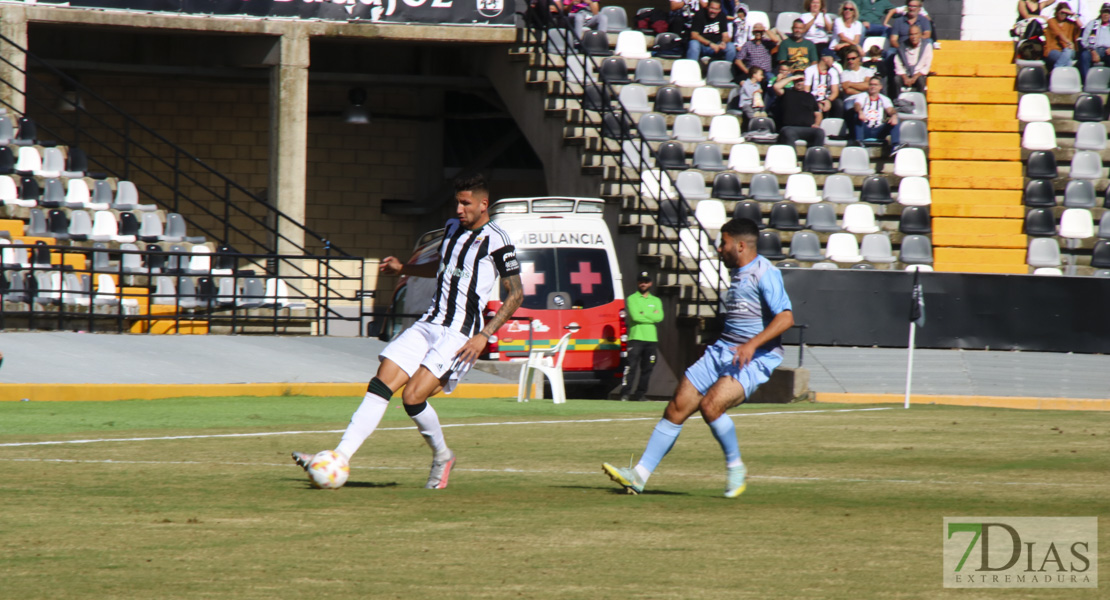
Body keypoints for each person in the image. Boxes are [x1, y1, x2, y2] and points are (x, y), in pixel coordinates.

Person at [292, 173, 524, 489]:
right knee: (380, 384)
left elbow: (516, 294)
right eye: (457, 202)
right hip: (429, 323)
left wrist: (483, 335)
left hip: (459, 334)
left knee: (413, 397)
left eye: (465, 203)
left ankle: (443, 456)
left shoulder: (498, 239)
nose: (458, 209)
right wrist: (405, 269)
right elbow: (442, 266)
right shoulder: (453, 228)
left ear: (484, 205)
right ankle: (339, 458)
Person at [602, 217, 794, 498]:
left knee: (711, 406)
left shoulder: (765, 272)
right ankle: (638, 476)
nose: (719, 249)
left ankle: (736, 468)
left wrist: (751, 345)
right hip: (723, 350)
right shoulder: (738, 272)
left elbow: (786, 317)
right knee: (677, 406)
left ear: (740, 246)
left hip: (755, 356)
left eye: (723, 243)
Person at [619, 272, 664, 402]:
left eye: (646, 281)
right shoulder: (632, 298)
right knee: (630, 366)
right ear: (638, 283)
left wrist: (644, 314)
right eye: (641, 281)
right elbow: (635, 316)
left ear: (650, 283)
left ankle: (640, 394)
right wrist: (651, 315)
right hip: (636, 338)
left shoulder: (656, 300)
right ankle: (625, 394)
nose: (643, 284)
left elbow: (660, 317)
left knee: (648, 368)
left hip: (651, 339)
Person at [773, 71, 827, 146]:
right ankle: (792, 157)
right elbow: (776, 87)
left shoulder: (810, 96)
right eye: (797, 81)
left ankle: (815, 156)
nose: (799, 83)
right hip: (790, 128)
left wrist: (816, 124)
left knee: (820, 132)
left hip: (808, 128)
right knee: (788, 132)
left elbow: (818, 114)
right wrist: (792, 77)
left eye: (801, 80)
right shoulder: (786, 93)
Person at [853, 76, 900, 145]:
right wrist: (860, 111)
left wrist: (894, 115)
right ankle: (859, 143)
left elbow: (890, 110)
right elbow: (857, 105)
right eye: (871, 84)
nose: (873, 87)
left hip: (879, 130)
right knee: (856, 115)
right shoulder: (862, 96)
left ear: (880, 87)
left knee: (895, 118)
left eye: (875, 85)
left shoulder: (885, 99)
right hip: (866, 129)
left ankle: (895, 145)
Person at [805, 48, 844, 118]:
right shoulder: (810, 70)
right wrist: (816, 103)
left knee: (838, 104)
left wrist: (828, 101)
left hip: (827, 98)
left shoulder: (833, 71)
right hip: (812, 99)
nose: (833, 63)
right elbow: (806, 91)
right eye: (833, 60)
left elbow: (835, 92)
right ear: (825, 59)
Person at [893, 24, 933, 93]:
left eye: (916, 34)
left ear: (920, 34)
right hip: (905, 75)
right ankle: (898, 100)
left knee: (921, 81)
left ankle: (920, 101)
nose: (914, 37)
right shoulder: (902, 46)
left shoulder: (927, 46)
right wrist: (905, 77)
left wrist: (915, 77)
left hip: (918, 75)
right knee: (896, 79)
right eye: (911, 34)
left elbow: (927, 65)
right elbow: (898, 64)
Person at [1078, 3, 1110, 81]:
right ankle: (1087, 82)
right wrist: (1092, 51)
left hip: (1107, 50)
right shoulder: (1092, 24)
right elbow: (1084, 41)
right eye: (1104, 12)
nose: (1106, 15)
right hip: (1093, 49)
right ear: (1101, 13)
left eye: (1108, 13)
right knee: (1084, 56)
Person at [1045, 4, 1080, 69]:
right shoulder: (1051, 21)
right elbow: (1059, 33)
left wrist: (1074, 14)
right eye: (1061, 13)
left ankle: (1056, 69)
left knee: (1068, 51)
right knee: (1068, 61)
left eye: (1065, 13)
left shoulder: (1070, 23)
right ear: (1057, 12)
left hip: (1069, 50)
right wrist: (1069, 42)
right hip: (1053, 49)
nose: (1063, 15)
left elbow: (1080, 25)